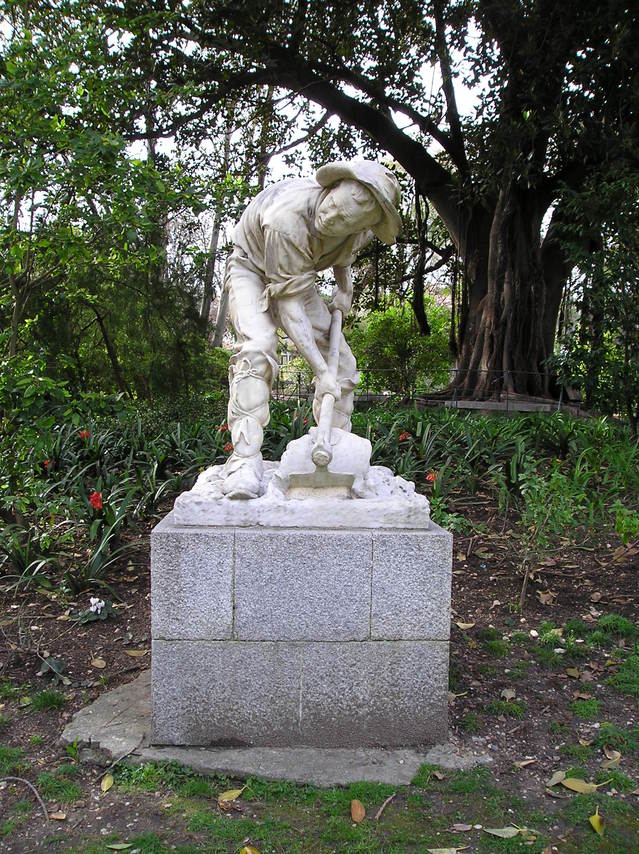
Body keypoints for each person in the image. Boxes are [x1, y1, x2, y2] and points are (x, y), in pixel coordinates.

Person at [221, 159, 401, 498]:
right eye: (332, 205)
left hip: (296, 279)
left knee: (344, 366)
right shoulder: (286, 219)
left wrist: (344, 287)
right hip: (252, 269)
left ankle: (330, 457)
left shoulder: (356, 229)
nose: (330, 217)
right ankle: (244, 461)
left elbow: (342, 252)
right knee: (257, 349)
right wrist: (320, 370)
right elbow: (288, 310)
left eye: (344, 219)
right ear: (333, 187)